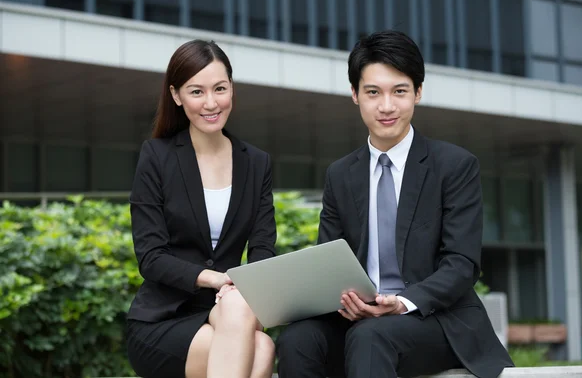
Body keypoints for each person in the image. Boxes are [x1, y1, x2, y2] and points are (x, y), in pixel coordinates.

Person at [275, 30, 514, 378]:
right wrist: (348, 302)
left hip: (435, 320)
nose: (386, 106)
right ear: (355, 95)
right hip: (360, 320)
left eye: (399, 91)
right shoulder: (341, 174)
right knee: (298, 339)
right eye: (373, 92)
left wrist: (401, 303)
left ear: (417, 92)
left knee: (372, 337)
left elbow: (461, 264)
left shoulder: (454, 166)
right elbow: (329, 260)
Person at [126, 40, 277, 378]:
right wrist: (219, 279)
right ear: (177, 95)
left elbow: (263, 247)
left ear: (232, 90)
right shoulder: (157, 157)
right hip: (163, 319)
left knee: (254, 330)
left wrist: (243, 285)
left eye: (220, 89)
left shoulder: (256, 163)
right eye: (197, 92)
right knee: (261, 347)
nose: (211, 103)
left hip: (229, 309)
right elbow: (150, 257)